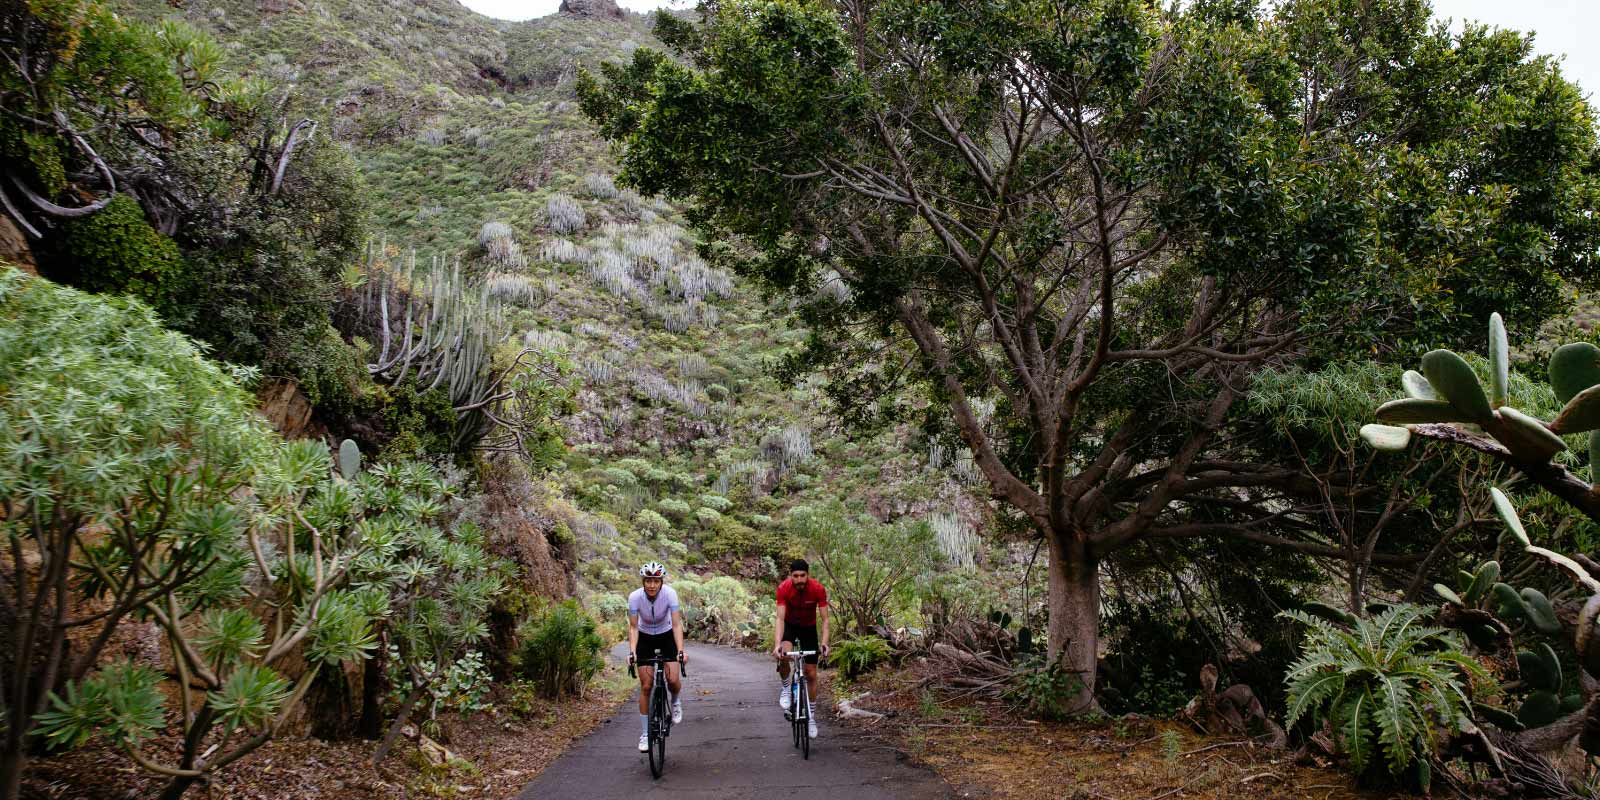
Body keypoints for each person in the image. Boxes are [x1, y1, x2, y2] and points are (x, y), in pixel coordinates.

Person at [628, 562, 686, 753]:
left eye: (656, 581)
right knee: (646, 686)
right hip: (645, 637)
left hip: (666, 634)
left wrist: (680, 650)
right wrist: (633, 652)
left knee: (673, 679)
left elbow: (677, 624)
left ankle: (675, 701)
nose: (652, 585)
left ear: (661, 582)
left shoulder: (670, 594)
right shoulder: (635, 597)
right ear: (643, 582)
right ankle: (645, 733)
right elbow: (634, 627)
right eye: (648, 581)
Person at [772, 558, 829, 740]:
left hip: (808, 628)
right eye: (795, 576)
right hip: (790, 626)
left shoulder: (818, 589)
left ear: (808, 575)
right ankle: (786, 688)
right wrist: (777, 645)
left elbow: (825, 620)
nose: (799, 580)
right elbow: (780, 619)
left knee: (811, 673)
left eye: (802, 576)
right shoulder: (783, 588)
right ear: (791, 576)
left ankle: (811, 717)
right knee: (784, 656)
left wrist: (825, 642)